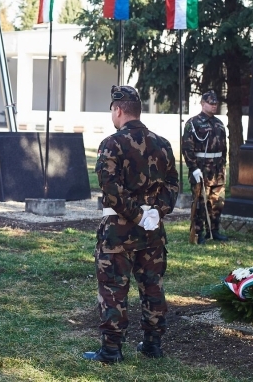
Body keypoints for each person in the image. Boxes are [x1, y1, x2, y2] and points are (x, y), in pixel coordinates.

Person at [83, 85, 178, 364]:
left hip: (118, 232)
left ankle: (112, 349)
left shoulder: (112, 144)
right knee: (153, 287)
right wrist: (155, 213)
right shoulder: (162, 144)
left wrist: (137, 215)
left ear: (118, 110)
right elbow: (173, 185)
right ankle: (152, 343)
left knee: (113, 289)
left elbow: (111, 191)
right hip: (152, 231)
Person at [181, 91, 228, 244]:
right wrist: (193, 168)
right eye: (210, 103)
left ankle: (213, 231)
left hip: (217, 170)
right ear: (202, 103)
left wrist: (223, 166)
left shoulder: (219, 124)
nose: (214, 106)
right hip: (201, 169)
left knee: (217, 202)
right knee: (200, 203)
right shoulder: (193, 123)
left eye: (215, 103)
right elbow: (187, 148)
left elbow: (224, 148)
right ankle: (197, 233)